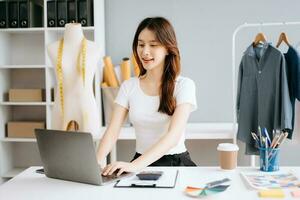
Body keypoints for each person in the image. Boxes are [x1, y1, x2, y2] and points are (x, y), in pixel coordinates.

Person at [97, 17, 197, 176]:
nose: (145, 51)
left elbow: (173, 137)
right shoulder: (128, 86)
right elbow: (112, 131)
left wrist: (134, 166)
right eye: (141, 44)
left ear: (168, 48)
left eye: (153, 45)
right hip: (139, 162)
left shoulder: (184, 85)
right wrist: (95, 162)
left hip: (175, 163)